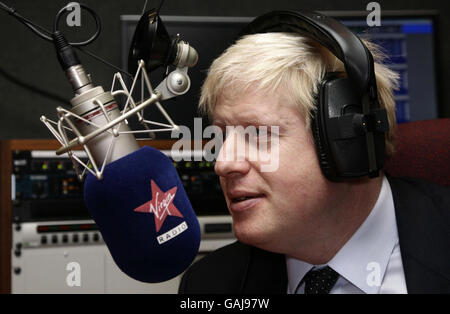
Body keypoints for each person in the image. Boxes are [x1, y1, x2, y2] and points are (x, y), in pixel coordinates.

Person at [178, 11, 450, 294]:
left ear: (347, 140)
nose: (223, 163)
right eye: (222, 136)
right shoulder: (209, 285)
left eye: (257, 133)